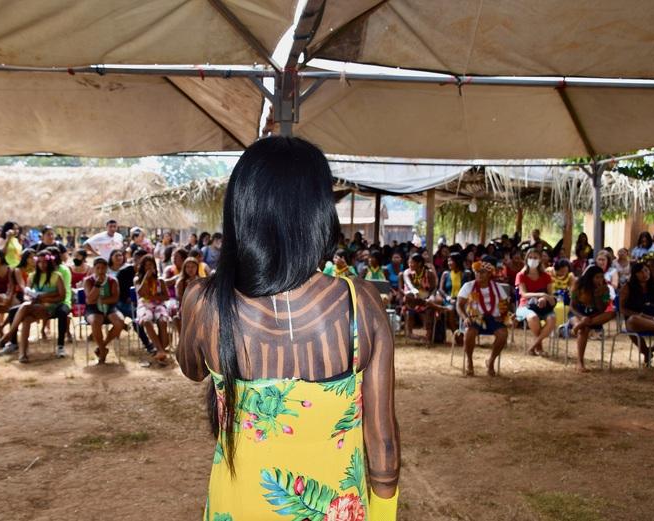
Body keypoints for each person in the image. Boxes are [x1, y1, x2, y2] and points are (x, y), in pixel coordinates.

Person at [177, 137, 399, 519]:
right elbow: (383, 445)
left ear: (240, 210)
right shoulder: (359, 304)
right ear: (317, 213)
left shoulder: (204, 302)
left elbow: (193, 370)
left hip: (239, 506)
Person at [456, 256, 511, 376]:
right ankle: (470, 362)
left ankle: (491, 362)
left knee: (503, 334)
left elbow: (505, 305)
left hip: (493, 317)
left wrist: (503, 316)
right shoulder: (468, 286)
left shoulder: (497, 287)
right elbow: (459, 306)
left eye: (482, 272)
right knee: (469, 332)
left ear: (489, 274)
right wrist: (465, 318)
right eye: (477, 272)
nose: (479, 275)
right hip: (475, 317)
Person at [619, 262, 654, 384]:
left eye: (647, 271)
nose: (646, 274)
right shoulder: (627, 287)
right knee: (633, 319)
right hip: (638, 320)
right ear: (635, 273)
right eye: (642, 271)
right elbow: (622, 309)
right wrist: (644, 316)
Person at [13, 252, 66, 363]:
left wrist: (45, 298)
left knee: (24, 307)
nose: (42, 264)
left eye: (45, 262)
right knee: (26, 320)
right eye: (39, 262)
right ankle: (23, 354)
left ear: (49, 262)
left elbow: (62, 296)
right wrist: (30, 298)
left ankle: (9, 334)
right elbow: (26, 294)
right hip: (34, 306)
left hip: (50, 308)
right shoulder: (32, 276)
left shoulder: (56, 276)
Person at [569, 265, 616, 373]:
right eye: (597, 277)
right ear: (590, 277)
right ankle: (580, 362)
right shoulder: (578, 285)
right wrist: (581, 318)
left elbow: (602, 309)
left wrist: (599, 295)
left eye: (601, 277)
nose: (599, 280)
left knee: (612, 313)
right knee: (584, 330)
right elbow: (572, 306)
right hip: (577, 314)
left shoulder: (605, 289)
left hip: (594, 317)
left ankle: (582, 324)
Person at [515, 249, 556, 356]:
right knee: (533, 318)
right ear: (526, 259)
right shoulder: (521, 275)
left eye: (535, 258)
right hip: (526, 305)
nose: (533, 260)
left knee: (552, 319)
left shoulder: (546, 276)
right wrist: (541, 295)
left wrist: (544, 298)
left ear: (540, 260)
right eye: (530, 257)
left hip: (543, 307)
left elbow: (550, 295)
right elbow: (523, 294)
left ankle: (534, 346)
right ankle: (539, 347)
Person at [84, 257, 125, 364]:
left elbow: (115, 298)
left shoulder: (113, 280)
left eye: (103, 268)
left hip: (110, 307)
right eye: (98, 268)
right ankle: (102, 351)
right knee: (95, 321)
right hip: (92, 309)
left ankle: (102, 346)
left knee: (120, 322)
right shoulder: (88, 281)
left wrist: (101, 300)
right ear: (94, 269)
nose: (101, 271)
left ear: (107, 268)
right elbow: (89, 300)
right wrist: (97, 285)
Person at [115, 249, 155, 354]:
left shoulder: (152, 274)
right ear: (135, 260)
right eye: (142, 262)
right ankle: (148, 344)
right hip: (123, 302)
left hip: (143, 302)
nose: (146, 266)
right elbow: (119, 293)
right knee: (136, 317)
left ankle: (159, 342)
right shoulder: (124, 272)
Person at [135, 254, 171, 366]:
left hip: (159, 306)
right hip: (144, 306)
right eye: (146, 266)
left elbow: (166, 296)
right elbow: (140, 293)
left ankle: (160, 352)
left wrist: (153, 297)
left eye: (151, 265)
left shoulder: (160, 280)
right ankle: (161, 350)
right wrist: (146, 278)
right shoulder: (138, 280)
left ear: (155, 266)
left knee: (163, 321)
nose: (149, 268)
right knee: (146, 320)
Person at [433, 252, 472, 344]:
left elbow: (470, 288)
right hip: (449, 300)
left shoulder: (466, 273)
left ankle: (466, 334)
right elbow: (441, 289)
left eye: (451, 261)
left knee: (467, 310)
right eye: (448, 261)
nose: (449, 263)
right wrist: (448, 297)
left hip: (463, 300)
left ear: (457, 261)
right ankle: (457, 335)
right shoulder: (446, 274)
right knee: (450, 310)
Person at [401, 253, 437, 342]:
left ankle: (428, 335)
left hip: (426, 298)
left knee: (430, 305)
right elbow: (409, 285)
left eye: (412, 263)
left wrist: (430, 297)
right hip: (413, 299)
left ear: (420, 263)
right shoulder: (407, 272)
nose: (410, 265)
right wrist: (415, 291)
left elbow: (433, 289)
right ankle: (410, 333)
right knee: (409, 296)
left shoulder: (429, 274)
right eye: (409, 262)